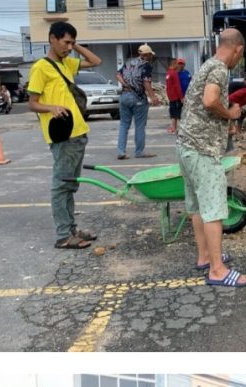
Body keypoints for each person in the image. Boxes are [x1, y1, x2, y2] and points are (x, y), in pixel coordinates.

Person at [176, 28, 246, 288]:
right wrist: (230, 114)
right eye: (241, 55)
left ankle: (205, 256)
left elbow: (201, 104)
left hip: (186, 145)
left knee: (197, 206)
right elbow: (209, 101)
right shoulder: (220, 69)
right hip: (203, 150)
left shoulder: (207, 64)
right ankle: (217, 271)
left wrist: (223, 121)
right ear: (238, 49)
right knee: (214, 209)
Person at [28, 21, 102, 249]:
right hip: (62, 134)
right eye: (65, 42)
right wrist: (51, 108)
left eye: (72, 42)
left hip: (78, 132)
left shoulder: (65, 64)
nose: (69, 46)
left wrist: (76, 46)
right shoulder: (41, 67)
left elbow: (96, 61)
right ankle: (63, 236)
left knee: (70, 185)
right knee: (61, 185)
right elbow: (32, 103)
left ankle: (71, 229)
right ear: (52, 38)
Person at [115, 43, 162, 159]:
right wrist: (153, 96)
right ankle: (139, 152)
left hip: (124, 95)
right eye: (150, 55)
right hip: (138, 97)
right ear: (148, 55)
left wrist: (126, 85)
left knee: (124, 124)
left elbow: (117, 75)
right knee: (140, 125)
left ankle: (121, 152)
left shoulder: (129, 62)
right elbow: (146, 82)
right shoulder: (146, 65)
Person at [165, 58, 184, 134]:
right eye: (177, 64)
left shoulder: (168, 73)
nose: (178, 65)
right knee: (178, 114)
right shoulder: (174, 73)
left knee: (173, 113)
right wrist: (181, 97)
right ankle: (176, 129)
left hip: (171, 97)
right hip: (176, 97)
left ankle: (173, 128)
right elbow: (177, 86)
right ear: (173, 64)